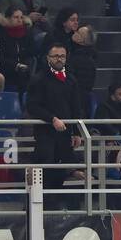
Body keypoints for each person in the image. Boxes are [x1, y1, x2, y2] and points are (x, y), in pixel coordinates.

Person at [25, 42, 87, 196]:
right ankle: (41, 204)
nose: (59, 59)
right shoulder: (39, 78)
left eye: (62, 56)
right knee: (47, 167)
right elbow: (33, 106)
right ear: (48, 58)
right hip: (45, 132)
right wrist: (52, 119)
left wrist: (77, 132)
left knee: (62, 169)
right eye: (55, 56)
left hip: (65, 133)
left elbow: (76, 107)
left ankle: (56, 204)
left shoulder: (71, 79)